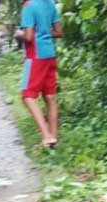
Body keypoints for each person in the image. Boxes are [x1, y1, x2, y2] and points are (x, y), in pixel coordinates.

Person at [19, 0, 62, 148]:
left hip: (35, 55)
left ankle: (46, 136)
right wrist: (43, 33)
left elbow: (29, 37)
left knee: (27, 95)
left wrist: (20, 34)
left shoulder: (28, 6)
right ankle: (53, 138)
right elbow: (58, 32)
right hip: (50, 54)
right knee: (50, 96)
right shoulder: (50, 4)